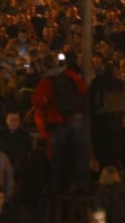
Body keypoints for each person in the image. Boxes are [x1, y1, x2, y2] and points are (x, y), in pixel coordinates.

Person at [32, 54, 90, 193]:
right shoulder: (69, 74)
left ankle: (56, 186)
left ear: (43, 66)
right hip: (77, 117)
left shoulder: (47, 80)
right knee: (81, 153)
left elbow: (37, 101)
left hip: (58, 120)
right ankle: (83, 186)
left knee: (57, 155)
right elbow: (84, 89)